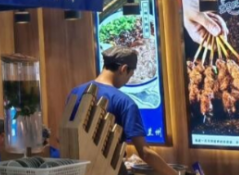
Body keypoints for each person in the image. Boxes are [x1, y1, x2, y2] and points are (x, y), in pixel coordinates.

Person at [68, 47, 177, 175]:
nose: (127, 80)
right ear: (123, 69)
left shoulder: (75, 92)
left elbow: (63, 136)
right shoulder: (125, 102)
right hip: (108, 170)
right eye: (130, 76)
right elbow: (145, 153)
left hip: (75, 169)